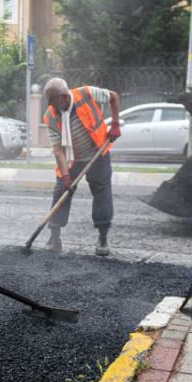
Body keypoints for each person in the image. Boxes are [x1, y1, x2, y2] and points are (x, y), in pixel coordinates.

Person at [42, 78, 121, 255]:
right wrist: (65, 176)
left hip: (97, 153)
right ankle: (54, 238)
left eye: (53, 101)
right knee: (61, 191)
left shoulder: (86, 93)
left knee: (102, 192)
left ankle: (102, 238)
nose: (51, 105)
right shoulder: (50, 116)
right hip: (71, 160)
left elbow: (114, 97)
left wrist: (115, 123)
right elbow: (58, 150)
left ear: (63, 96)